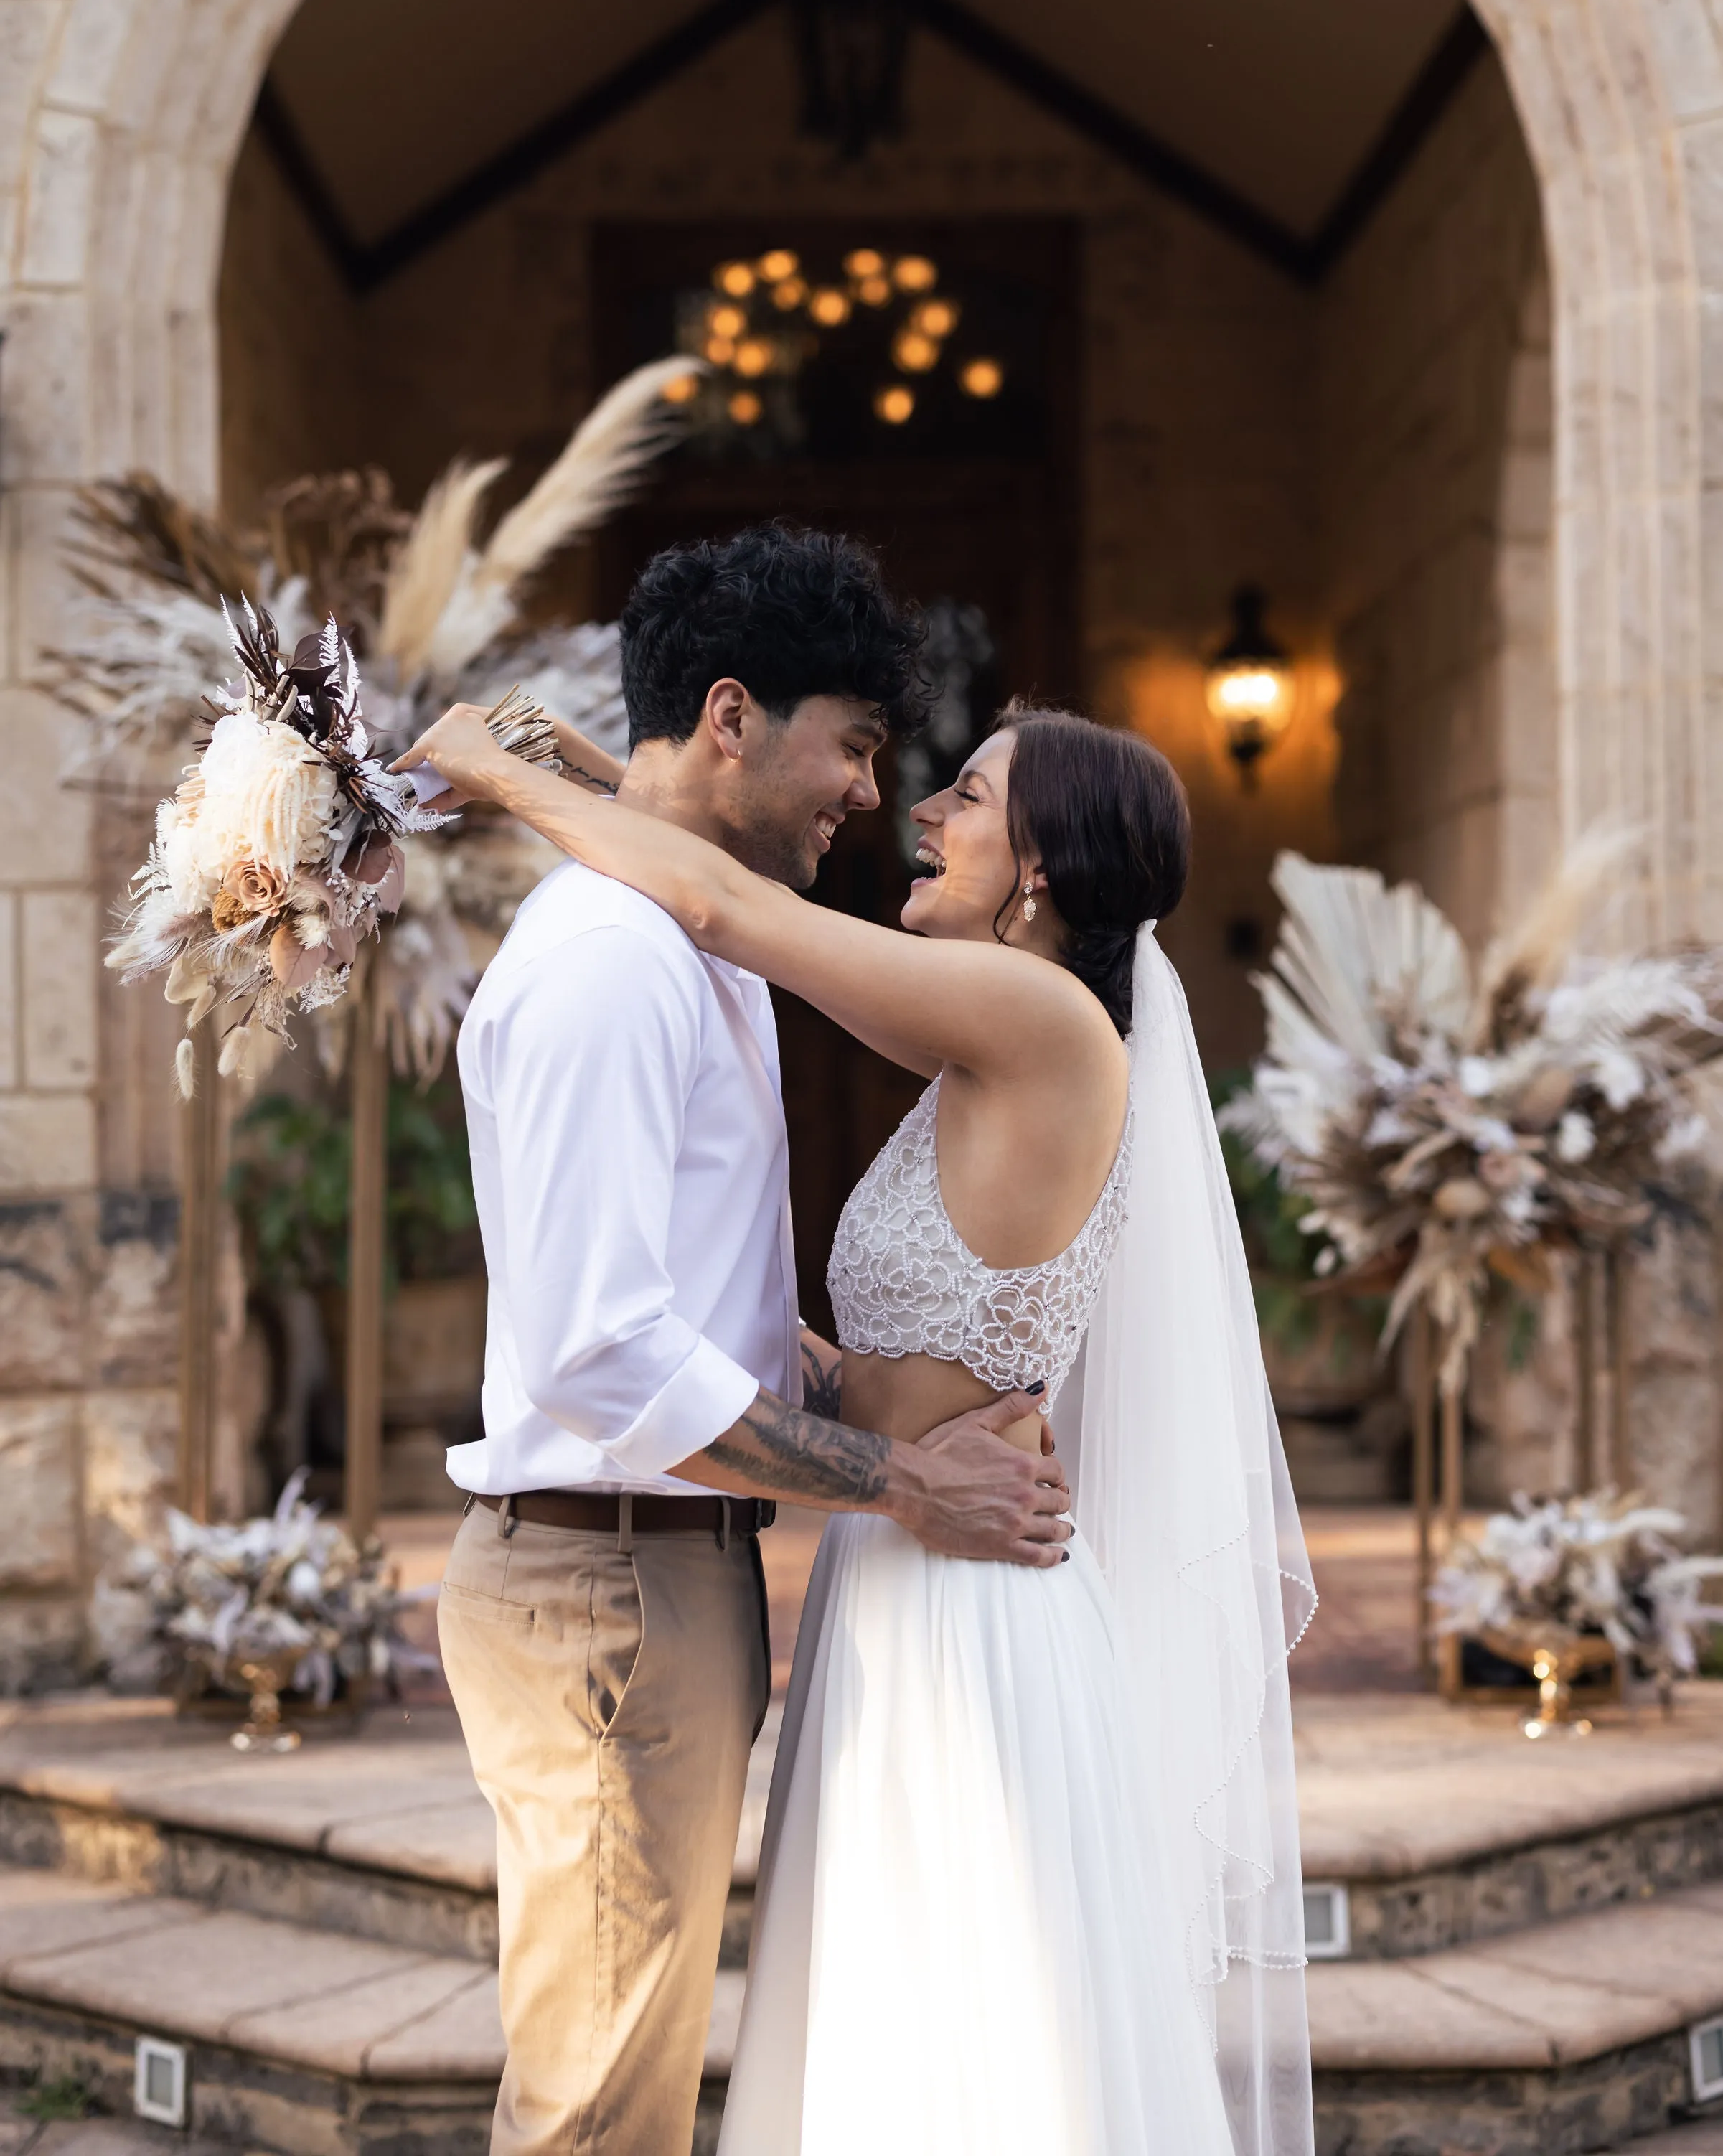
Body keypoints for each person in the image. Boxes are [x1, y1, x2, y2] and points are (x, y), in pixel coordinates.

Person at [405, 680, 1317, 2156]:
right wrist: (605, 769)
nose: (923, 811)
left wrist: (510, 783)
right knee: (896, 2019)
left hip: (968, 1605)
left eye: (966, 793)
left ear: (1036, 870)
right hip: (894, 1564)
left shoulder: (1040, 1016)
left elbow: (722, 907)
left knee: (980, 2023)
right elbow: (896, 1358)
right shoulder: (982, 1053)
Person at [427, 525, 1071, 2156]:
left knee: (626, 2078)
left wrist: (875, 1387)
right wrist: (905, 1482)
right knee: (595, 2112)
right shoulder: (608, 966)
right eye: (854, 744)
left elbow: (694, 1307)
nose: (870, 791)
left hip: (656, 1574)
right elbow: (602, 1359)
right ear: (732, 717)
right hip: (609, 1585)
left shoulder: (687, 939)